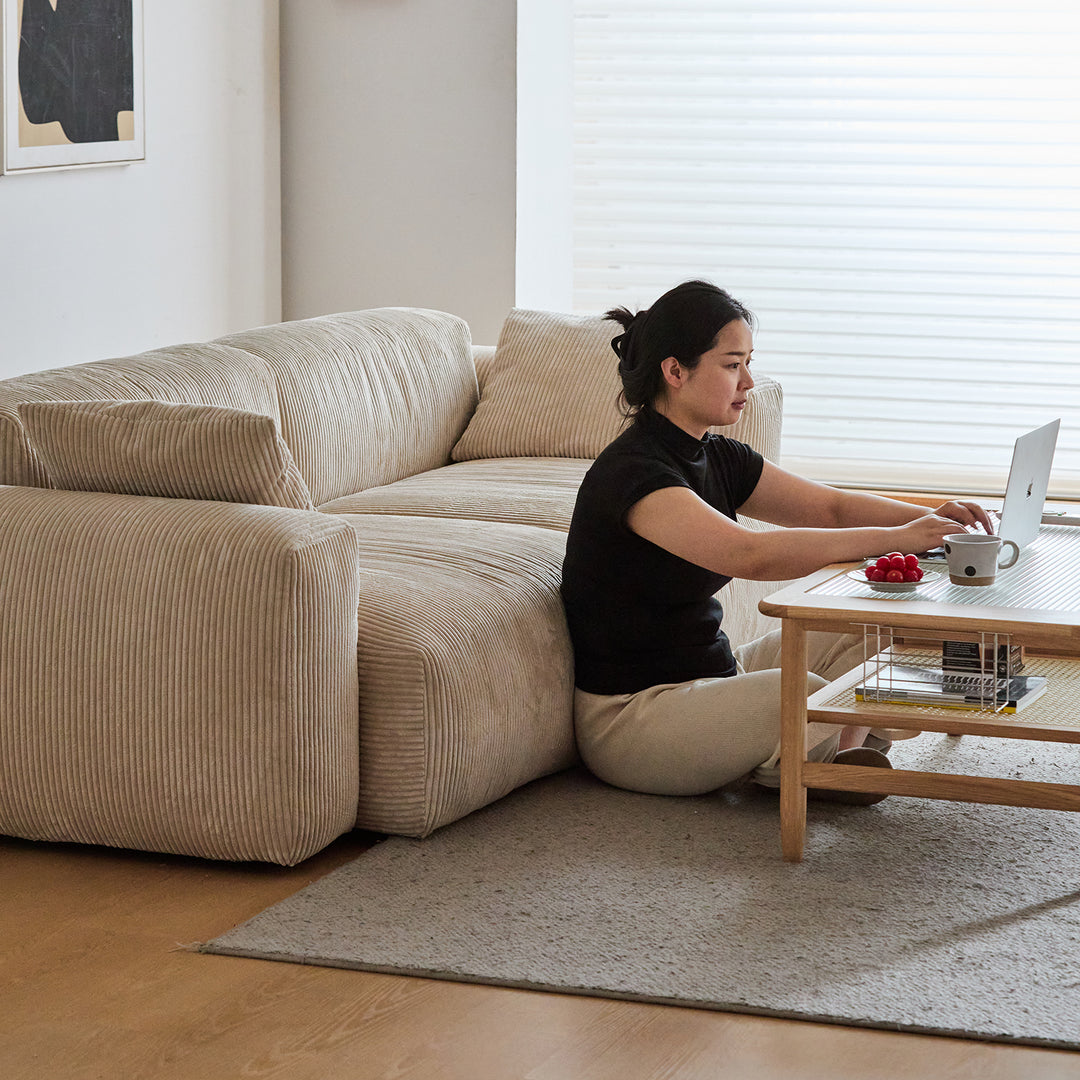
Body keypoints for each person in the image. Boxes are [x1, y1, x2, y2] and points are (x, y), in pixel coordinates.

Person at [559, 280, 993, 804]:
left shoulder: (716, 455)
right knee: (806, 693)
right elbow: (751, 554)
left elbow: (830, 507)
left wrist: (934, 517)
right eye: (732, 364)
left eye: (748, 363)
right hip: (636, 717)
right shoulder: (635, 475)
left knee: (868, 631)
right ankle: (829, 759)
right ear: (675, 371)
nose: (749, 381)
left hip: (716, 674)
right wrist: (899, 539)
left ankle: (824, 753)